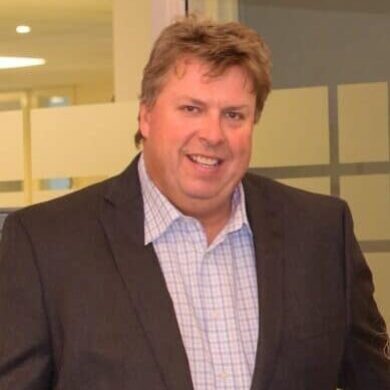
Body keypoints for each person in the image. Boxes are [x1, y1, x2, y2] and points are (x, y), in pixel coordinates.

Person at [0, 16, 389, 390]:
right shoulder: (46, 245)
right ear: (146, 115)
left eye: (234, 115)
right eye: (191, 109)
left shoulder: (320, 233)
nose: (212, 134)